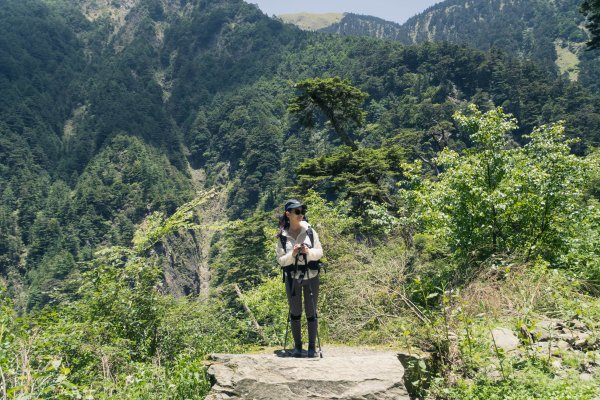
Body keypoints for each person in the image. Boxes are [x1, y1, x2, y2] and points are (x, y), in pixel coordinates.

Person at [276, 199, 323, 358]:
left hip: (312, 276)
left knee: (311, 312)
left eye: (302, 211)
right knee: (295, 312)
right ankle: (297, 347)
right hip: (292, 277)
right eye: (297, 212)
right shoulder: (282, 236)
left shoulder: (310, 231)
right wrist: (293, 254)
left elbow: (320, 253)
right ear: (288, 214)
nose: (301, 214)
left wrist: (308, 252)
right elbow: (281, 260)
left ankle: (311, 348)